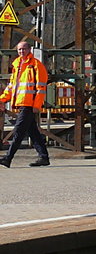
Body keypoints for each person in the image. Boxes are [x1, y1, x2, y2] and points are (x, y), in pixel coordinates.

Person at [0, 39, 49, 168]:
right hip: (22, 104)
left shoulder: (36, 65)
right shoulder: (17, 65)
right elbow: (12, 87)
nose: (22, 51)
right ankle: (44, 157)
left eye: (24, 49)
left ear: (29, 50)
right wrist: (2, 99)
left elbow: (41, 87)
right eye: (19, 49)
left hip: (29, 105)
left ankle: (8, 158)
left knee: (19, 131)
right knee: (32, 131)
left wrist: (36, 106)